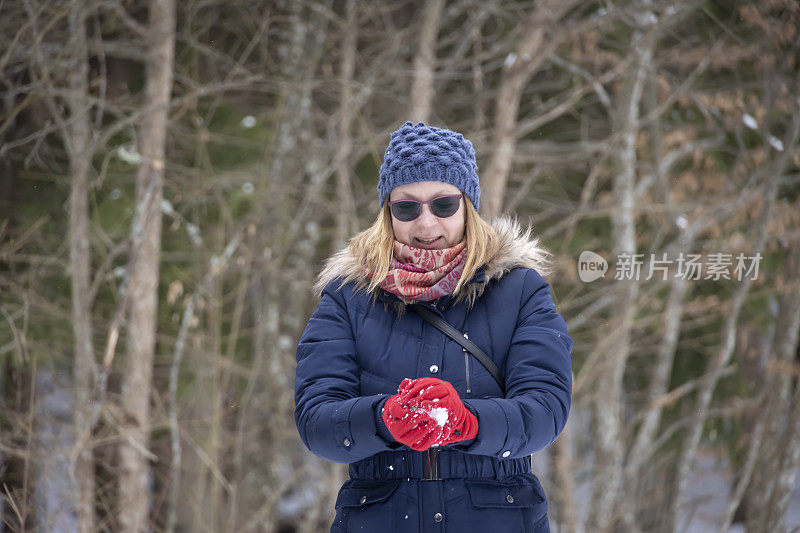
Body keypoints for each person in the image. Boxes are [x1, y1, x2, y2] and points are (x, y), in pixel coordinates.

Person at [294, 121, 573, 532]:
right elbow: (316, 420)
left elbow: (546, 409)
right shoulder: (347, 297)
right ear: (387, 212)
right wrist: (382, 418)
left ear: (468, 206)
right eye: (407, 207)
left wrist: (469, 421)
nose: (425, 225)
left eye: (443, 205)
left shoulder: (520, 290)